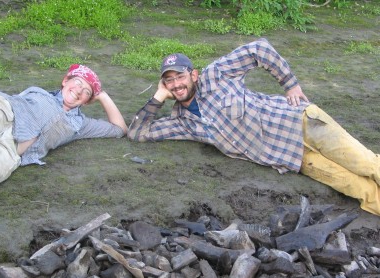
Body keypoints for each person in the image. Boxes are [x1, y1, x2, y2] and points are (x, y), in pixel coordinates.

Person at [127, 38, 380, 216]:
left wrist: (290, 84)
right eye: (168, 81)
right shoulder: (182, 122)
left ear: (194, 75)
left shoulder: (215, 75)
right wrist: (158, 97)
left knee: (366, 163)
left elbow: (259, 49)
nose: (176, 85)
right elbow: (137, 133)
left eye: (180, 77)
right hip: (292, 157)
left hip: (300, 121)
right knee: (357, 188)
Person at [0, 64, 127, 192]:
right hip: (1, 111)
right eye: (77, 82)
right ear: (65, 81)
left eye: (87, 92)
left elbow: (120, 129)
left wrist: (103, 96)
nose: (80, 90)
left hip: (10, 150)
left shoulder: (80, 125)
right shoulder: (39, 92)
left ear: (87, 101)